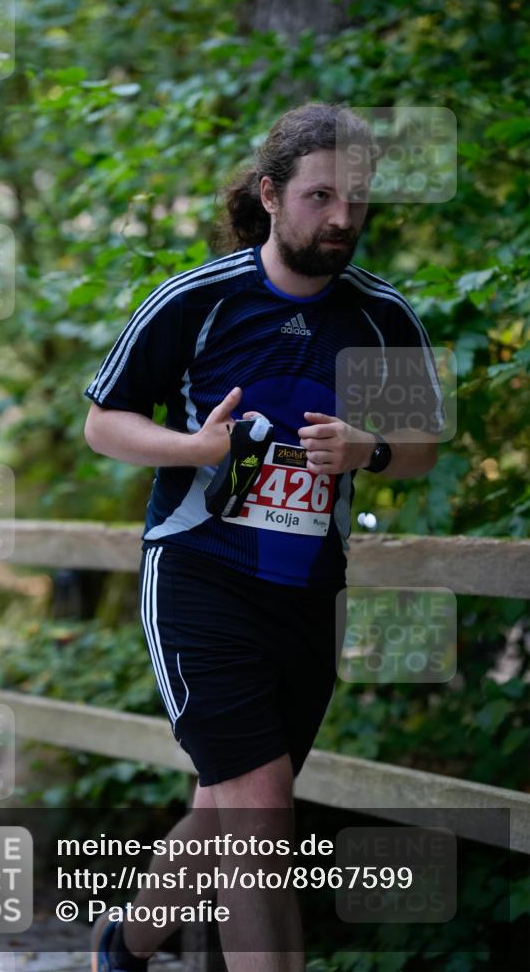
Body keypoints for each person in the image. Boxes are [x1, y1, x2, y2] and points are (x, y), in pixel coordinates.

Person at [83, 102, 443, 972]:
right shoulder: (197, 299)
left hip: (307, 587)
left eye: (356, 199)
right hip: (199, 574)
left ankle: (121, 948)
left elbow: (421, 452)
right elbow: (105, 424)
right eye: (321, 196)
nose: (342, 218)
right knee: (259, 817)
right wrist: (194, 447)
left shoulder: (380, 314)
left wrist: (372, 449)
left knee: (231, 805)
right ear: (272, 195)